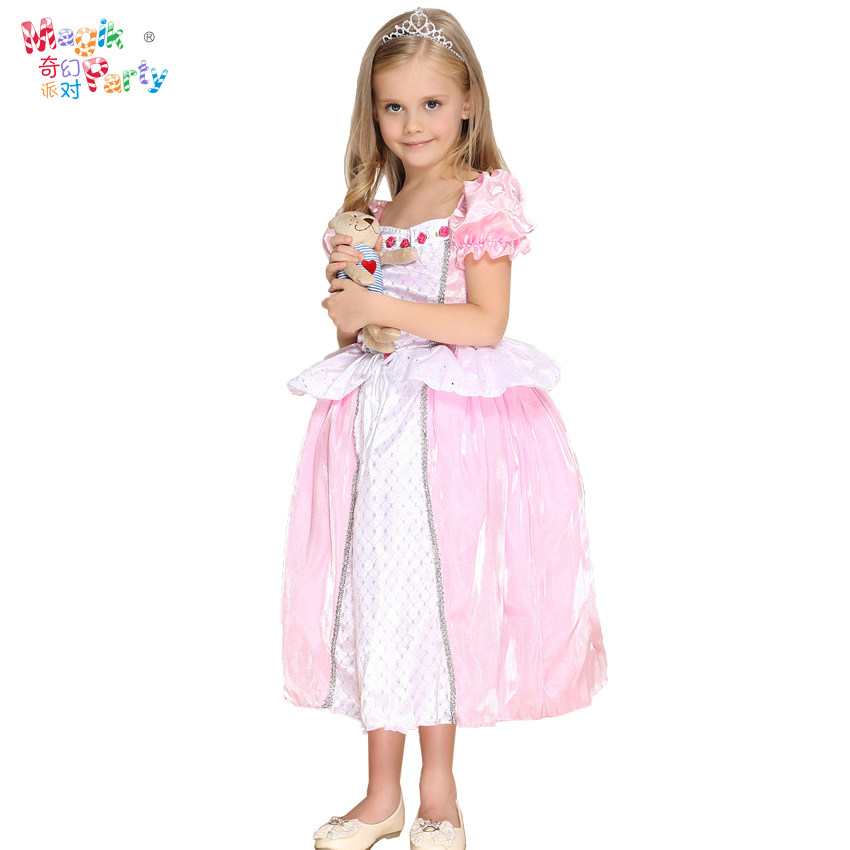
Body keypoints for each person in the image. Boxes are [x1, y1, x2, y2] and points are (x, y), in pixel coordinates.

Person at [280, 8, 608, 849]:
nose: (412, 123)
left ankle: (438, 792)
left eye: (431, 104)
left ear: (468, 103)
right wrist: (348, 306)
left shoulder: (478, 196)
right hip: (377, 428)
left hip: (446, 432)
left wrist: (378, 304)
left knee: (434, 598)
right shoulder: (375, 211)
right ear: (373, 112)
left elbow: (485, 322)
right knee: (377, 597)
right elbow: (360, 338)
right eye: (394, 106)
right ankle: (379, 795)